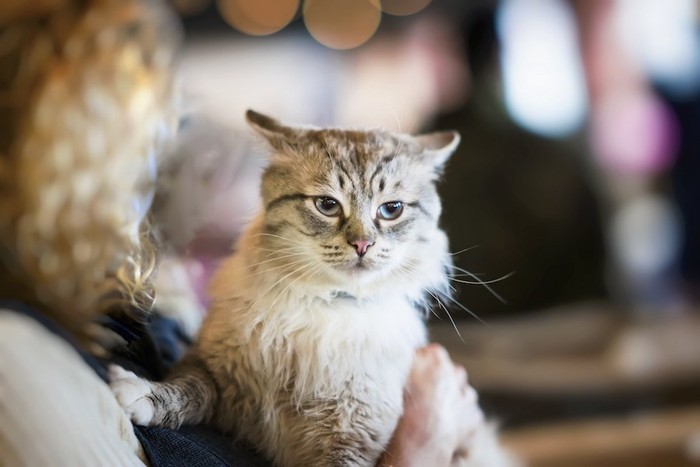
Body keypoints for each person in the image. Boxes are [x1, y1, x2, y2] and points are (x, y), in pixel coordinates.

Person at [0, 0, 510, 465]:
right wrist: (422, 445)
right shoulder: (24, 346)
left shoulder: (110, 291)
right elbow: (219, 383)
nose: (362, 238)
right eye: (143, 136)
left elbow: (214, 381)